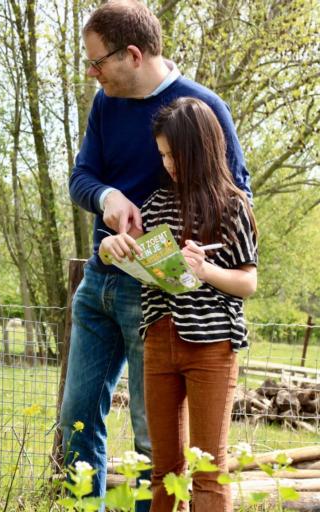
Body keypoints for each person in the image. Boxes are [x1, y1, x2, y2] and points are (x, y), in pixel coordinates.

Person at [59, 0, 252, 507]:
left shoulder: (201, 108)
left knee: (155, 444)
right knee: (76, 421)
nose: (92, 72)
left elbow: (236, 196)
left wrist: (191, 259)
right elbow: (81, 179)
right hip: (100, 280)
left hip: (159, 298)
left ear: (134, 54)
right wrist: (108, 198)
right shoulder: (106, 103)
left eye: (98, 62)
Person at [99, 97, 257, 511]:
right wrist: (110, 248)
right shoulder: (153, 205)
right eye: (163, 155)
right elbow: (130, 255)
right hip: (157, 342)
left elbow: (248, 282)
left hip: (212, 347)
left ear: (200, 148)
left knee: (208, 471)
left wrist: (205, 272)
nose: (167, 164)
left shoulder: (234, 206)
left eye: (174, 154)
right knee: (164, 471)